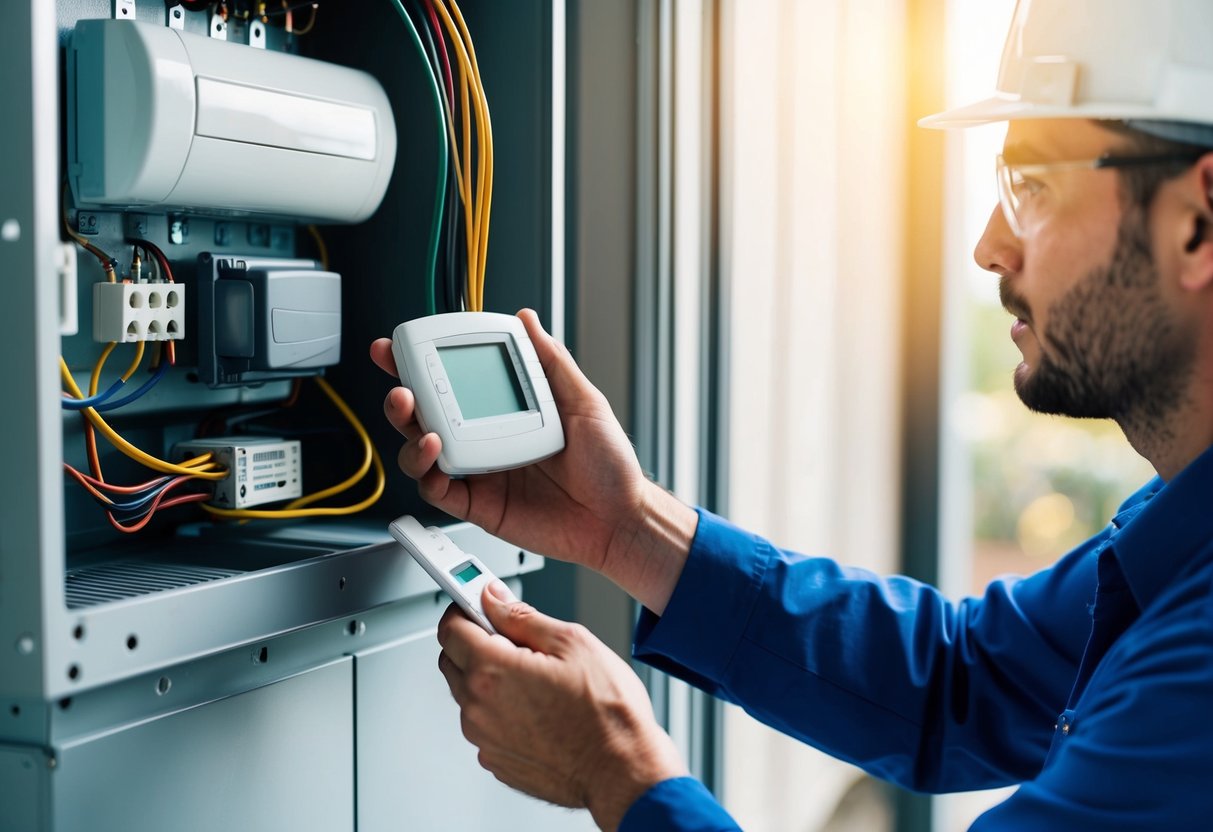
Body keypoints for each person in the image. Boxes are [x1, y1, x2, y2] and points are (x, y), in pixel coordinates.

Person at [369, 1, 1213, 828]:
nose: (988, 244)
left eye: (1031, 184)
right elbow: (966, 683)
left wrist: (617, 768)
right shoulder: (1178, 540)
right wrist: (627, 526)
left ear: (1196, 224)